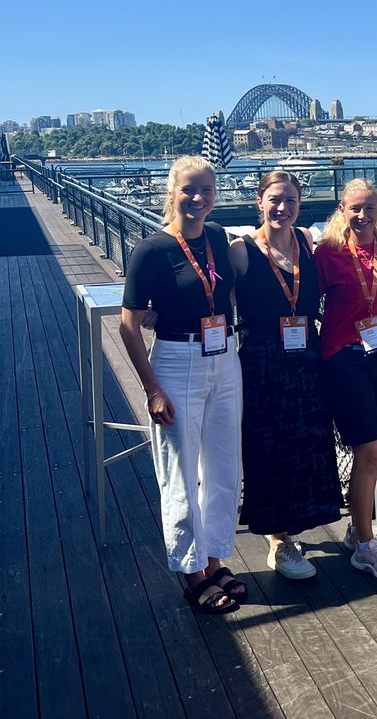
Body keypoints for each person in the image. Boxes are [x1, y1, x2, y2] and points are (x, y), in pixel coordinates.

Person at [120, 155, 245, 614]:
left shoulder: (217, 237)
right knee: (179, 471)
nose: (198, 199)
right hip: (176, 361)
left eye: (207, 191)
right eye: (189, 190)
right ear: (171, 193)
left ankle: (214, 559)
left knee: (224, 465)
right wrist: (153, 389)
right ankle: (191, 571)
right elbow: (128, 326)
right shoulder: (152, 250)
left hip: (224, 357)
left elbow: (228, 286)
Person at [227, 171, 342, 580]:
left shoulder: (308, 244)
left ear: (299, 204)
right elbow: (205, 290)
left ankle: (294, 528)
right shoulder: (240, 251)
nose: (282, 208)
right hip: (261, 359)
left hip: (306, 357)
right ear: (259, 201)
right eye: (274, 199)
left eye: (290, 200)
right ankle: (277, 540)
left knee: (305, 443)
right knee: (268, 448)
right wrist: (158, 310)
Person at [315, 178, 377, 579]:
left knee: (374, 449)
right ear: (342, 209)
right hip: (344, 357)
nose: (363, 215)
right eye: (355, 208)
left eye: (370, 208)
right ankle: (366, 548)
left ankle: (358, 529)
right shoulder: (328, 253)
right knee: (369, 451)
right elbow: (296, 296)